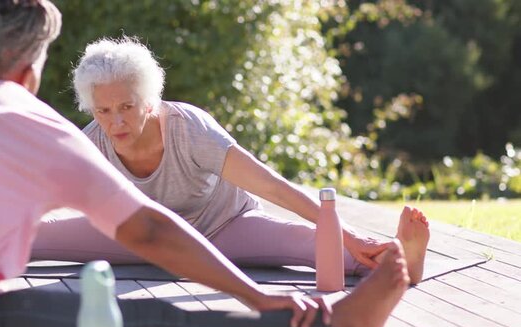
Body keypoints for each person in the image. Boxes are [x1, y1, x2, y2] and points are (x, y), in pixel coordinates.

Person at [0, 2, 414, 327]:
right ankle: (338, 324)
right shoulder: (26, 119)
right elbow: (147, 232)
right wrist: (258, 296)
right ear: (28, 70)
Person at [32, 37, 431, 284]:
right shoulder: (93, 142)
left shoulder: (191, 131)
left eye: (127, 106)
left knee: (323, 250)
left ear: (149, 100)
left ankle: (401, 260)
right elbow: (41, 197)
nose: (115, 121)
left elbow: (274, 187)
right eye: (103, 111)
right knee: (34, 236)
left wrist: (348, 235)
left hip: (224, 229)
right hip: (145, 236)